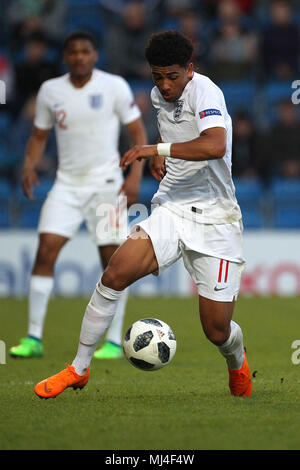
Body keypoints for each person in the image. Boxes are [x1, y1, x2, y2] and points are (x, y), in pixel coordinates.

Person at [34, 30, 252, 399]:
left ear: (190, 69)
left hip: (216, 218)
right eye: (157, 76)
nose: (164, 85)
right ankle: (79, 368)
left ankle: (237, 361)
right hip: (172, 207)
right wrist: (160, 155)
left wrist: (155, 147)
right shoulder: (157, 96)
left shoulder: (206, 92)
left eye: (172, 76)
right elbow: (180, 137)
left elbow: (215, 145)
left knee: (216, 330)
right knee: (115, 272)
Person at [10, 30, 146, 360]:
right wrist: (29, 165)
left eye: (85, 51)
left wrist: (134, 178)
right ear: (66, 57)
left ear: (94, 55)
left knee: (114, 263)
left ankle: (114, 341)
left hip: (106, 185)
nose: (79, 57)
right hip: (67, 185)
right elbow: (39, 135)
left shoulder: (113, 85)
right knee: (45, 251)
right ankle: (33, 338)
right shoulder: (50, 91)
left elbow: (138, 132)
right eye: (73, 52)